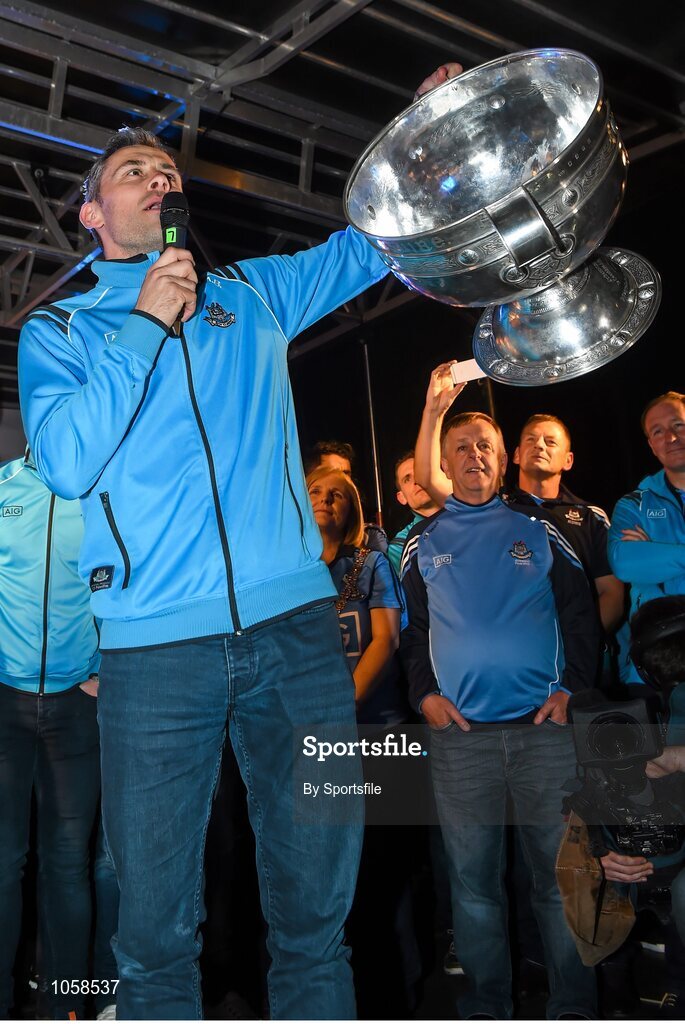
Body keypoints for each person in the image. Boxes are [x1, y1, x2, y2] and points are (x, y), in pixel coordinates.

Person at [17, 58, 461, 1022]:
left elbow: (374, 243)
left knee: (315, 920)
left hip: (297, 638)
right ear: (92, 214)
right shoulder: (60, 333)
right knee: (152, 938)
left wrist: (428, 131)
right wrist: (142, 321)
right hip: (150, 658)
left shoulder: (254, 295)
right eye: (134, 169)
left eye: (167, 168)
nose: (160, 177)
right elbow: (64, 464)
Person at [400, 410, 598, 1020]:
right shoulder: (419, 543)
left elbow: (581, 614)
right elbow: (412, 635)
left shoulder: (539, 528)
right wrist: (424, 697)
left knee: (559, 882)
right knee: (475, 888)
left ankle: (573, 1009)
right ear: (446, 461)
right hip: (461, 744)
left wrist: (573, 690)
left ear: (500, 455)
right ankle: (488, 1008)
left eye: (484, 445)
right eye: (460, 447)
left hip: (545, 737)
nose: (474, 456)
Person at [306, 466, 419, 1016]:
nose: (326, 500)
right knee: (327, 881)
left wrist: (342, 703)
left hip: (379, 730)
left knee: (386, 881)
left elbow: (387, 638)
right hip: (311, 741)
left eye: (338, 495)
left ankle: (398, 1002)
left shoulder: (372, 564)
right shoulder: (290, 571)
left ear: (353, 509)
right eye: (315, 493)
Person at [413, 363, 625, 635]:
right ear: (510, 457)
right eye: (531, 440)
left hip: (578, 660)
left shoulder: (590, 516)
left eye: (550, 442)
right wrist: (434, 410)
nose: (539, 446)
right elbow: (429, 477)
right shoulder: (494, 505)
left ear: (569, 459)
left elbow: (611, 595)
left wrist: (574, 650)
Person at [0, 451, 101, 1020]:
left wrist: (106, 670)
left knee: (67, 864)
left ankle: (68, 1008)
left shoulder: (96, 488)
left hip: (75, 706)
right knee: (3, 863)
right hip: (5, 700)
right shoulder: (3, 488)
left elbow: (121, 581)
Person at [608, 391, 685, 690]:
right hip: (653, 668)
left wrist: (652, 552)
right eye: (658, 431)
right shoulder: (632, 504)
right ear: (652, 445)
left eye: (678, 425)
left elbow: (640, 561)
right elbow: (625, 563)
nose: (670, 436)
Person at [387, 449, 442, 574]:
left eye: (420, 472)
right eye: (407, 479)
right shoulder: (399, 546)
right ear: (402, 498)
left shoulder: (465, 517)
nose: (416, 481)